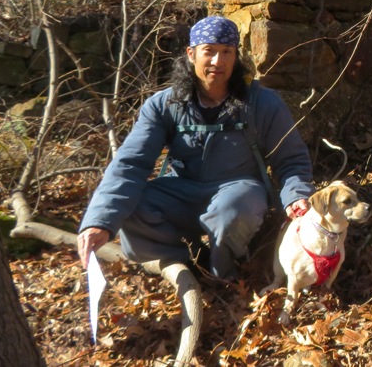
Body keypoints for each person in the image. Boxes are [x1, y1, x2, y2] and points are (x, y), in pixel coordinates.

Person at [77, 15, 314, 280]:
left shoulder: (263, 103)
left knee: (232, 212)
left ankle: (224, 274)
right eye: (209, 51)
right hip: (181, 190)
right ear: (191, 54)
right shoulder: (164, 104)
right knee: (131, 209)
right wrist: (100, 221)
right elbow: (130, 164)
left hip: (238, 189)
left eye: (227, 52)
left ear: (236, 57)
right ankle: (190, 262)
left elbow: (291, 159)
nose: (217, 61)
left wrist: (296, 195)